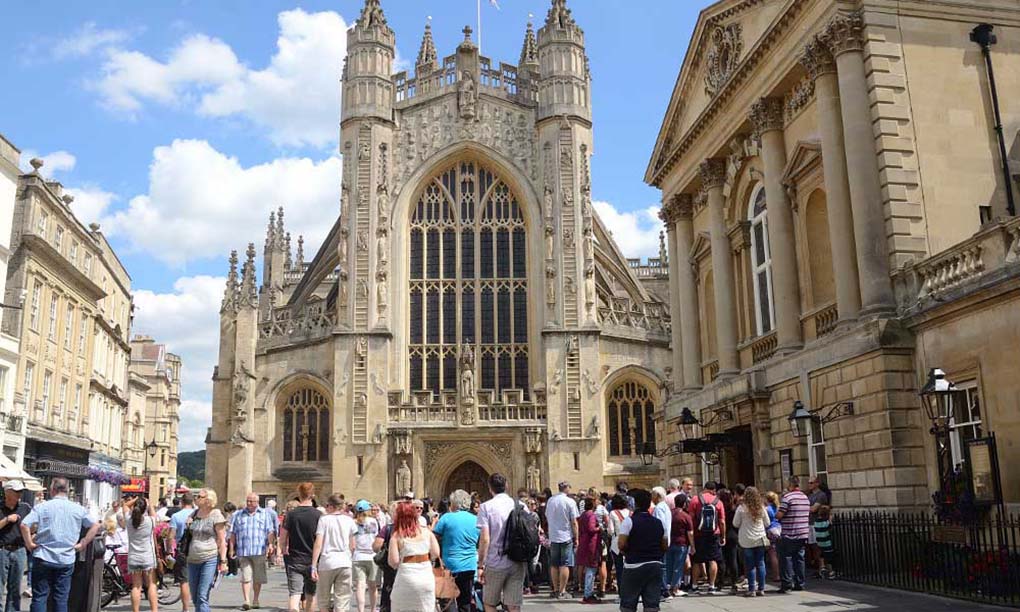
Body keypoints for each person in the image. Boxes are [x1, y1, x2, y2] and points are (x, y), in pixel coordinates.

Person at [20, 478, 101, 612]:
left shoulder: (42, 507)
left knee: (40, 597)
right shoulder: (78, 508)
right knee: (61, 598)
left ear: (53, 490)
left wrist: (29, 543)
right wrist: (83, 543)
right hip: (66, 557)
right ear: (67, 491)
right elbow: (95, 525)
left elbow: (24, 525)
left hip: (43, 555)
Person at [476, 473, 528, 612]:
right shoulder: (521, 505)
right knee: (513, 605)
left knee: (490, 604)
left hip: (495, 562)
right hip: (517, 560)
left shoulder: (486, 507)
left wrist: (480, 565)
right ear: (506, 486)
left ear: (490, 488)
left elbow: (485, 539)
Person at [617, 489, 666, 612]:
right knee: (652, 604)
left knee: (628, 604)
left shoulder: (629, 521)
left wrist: (627, 550)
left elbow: (621, 544)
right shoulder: (659, 523)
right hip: (655, 564)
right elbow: (665, 545)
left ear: (634, 504)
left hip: (634, 565)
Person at [431, 490, 479, 612]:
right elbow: (481, 541)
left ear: (454, 503)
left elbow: (434, 538)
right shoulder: (476, 520)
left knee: (448, 600)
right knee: (465, 601)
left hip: (449, 565)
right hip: (469, 565)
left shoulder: (446, 518)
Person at [388, 501, 440, 612]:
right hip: (426, 577)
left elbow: (394, 562)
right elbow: (435, 553)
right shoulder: (427, 532)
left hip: (407, 578)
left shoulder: (397, 536)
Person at [229, 493, 277, 610]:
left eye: (252, 501)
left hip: (259, 550)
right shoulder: (238, 515)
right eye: (248, 501)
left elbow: (270, 531)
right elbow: (233, 533)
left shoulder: (265, 514)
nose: (249, 503)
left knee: (258, 577)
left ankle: (255, 599)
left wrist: (270, 544)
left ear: (257, 502)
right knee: (246, 576)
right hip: (243, 550)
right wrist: (231, 548)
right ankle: (246, 600)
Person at [310, 494, 356, 612]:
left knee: (324, 600)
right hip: (345, 561)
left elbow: (318, 543)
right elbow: (353, 545)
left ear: (330, 506)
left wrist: (314, 565)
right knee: (342, 601)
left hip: (327, 562)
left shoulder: (324, 520)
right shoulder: (349, 520)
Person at [280, 483, 322, 612]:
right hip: (313, 560)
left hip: (294, 559)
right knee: (311, 594)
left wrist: (283, 550)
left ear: (299, 494)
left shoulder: (291, 515)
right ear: (313, 495)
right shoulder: (319, 515)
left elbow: (283, 538)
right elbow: (320, 541)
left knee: (295, 593)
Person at [185, 489, 228, 612]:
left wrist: (223, 561)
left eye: (200, 496)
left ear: (208, 500)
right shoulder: (193, 514)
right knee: (194, 596)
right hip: (192, 559)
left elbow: (221, 540)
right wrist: (188, 525)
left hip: (209, 558)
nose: (196, 498)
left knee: (202, 595)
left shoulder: (216, 515)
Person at [120, 496, 159, 612]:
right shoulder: (149, 521)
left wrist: (136, 499)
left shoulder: (128, 520)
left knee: (136, 586)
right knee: (151, 584)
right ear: (144, 509)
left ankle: (135, 610)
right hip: (147, 557)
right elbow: (153, 514)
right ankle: (154, 610)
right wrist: (149, 504)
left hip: (133, 557)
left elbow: (125, 505)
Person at [688, 481, 725, 595]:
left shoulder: (695, 500)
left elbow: (691, 518)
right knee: (712, 560)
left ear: (704, 488)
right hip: (714, 534)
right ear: (713, 490)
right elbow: (722, 521)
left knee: (697, 560)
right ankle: (712, 585)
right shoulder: (718, 502)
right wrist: (723, 536)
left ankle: (694, 585)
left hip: (699, 534)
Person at [775, 476, 810, 594]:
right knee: (799, 558)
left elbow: (779, 515)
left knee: (785, 558)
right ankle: (800, 583)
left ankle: (787, 583)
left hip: (789, 533)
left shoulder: (787, 497)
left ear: (790, 484)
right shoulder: (805, 497)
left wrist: (776, 513)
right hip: (803, 533)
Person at [0, 480, 31, 612]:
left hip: (19, 550)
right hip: (2, 550)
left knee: (15, 588)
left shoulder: (25, 508)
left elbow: (33, 527)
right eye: (16, 491)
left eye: (21, 491)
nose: (19, 494)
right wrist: (7, 520)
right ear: (7, 492)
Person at [545, 481, 579, 600]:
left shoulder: (550, 501)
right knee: (564, 564)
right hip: (566, 536)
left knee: (554, 564)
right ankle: (562, 591)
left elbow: (547, 516)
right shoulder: (570, 501)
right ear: (567, 488)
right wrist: (576, 537)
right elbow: (574, 522)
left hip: (553, 536)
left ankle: (555, 589)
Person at [732, 486, 769, 598]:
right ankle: (761, 588)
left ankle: (752, 589)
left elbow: (735, 523)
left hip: (747, 540)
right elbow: (767, 523)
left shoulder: (741, 508)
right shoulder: (761, 507)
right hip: (760, 538)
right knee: (761, 563)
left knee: (750, 565)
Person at [169, 492, 196, 612]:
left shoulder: (176, 516)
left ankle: (186, 609)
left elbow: (171, 536)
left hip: (183, 549)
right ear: (193, 502)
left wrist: (169, 551)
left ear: (182, 502)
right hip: (197, 548)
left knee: (184, 581)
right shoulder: (198, 514)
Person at [351, 500, 379, 612]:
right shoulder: (373, 521)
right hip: (371, 555)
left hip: (358, 556)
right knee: (373, 587)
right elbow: (376, 537)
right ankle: (372, 609)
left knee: (360, 587)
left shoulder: (352, 522)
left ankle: (360, 610)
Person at [665, 493, 693, 598]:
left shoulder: (669, 513)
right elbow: (690, 533)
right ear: (684, 503)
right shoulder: (686, 516)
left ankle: (668, 586)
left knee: (669, 566)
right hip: (681, 543)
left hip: (669, 543)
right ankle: (675, 588)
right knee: (678, 566)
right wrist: (693, 546)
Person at [576, 496, 602, 604]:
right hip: (591, 544)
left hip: (584, 542)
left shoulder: (583, 515)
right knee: (591, 569)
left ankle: (588, 592)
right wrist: (599, 528)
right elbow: (591, 528)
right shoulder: (591, 515)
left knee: (588, 568)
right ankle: (588, 593)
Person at [650, 487, 672, 599]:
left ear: (657, 496)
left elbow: (660, 526)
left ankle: (663, 590)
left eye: (652, 495)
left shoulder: (659, 508)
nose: (651, 497)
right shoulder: (665, 507)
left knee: (660, 566)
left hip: (660, 541)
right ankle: (663, 589)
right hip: (665, 540)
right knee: (662, 566)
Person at [606, 494, 630, 594]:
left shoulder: (612, 513)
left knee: (619, 569)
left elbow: (610, 531)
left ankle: (621, 592)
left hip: (617, 543)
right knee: (630, 568)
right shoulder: (631, 513)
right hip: (629, 543)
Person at [813, 505, 835, 579]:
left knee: (821, 555)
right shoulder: (827, 522)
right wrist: (830, 518)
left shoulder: (816, 522)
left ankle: (822, 568)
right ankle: (831, 572)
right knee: (829, 558)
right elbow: (830, 526)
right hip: (827, 543)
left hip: (820, 542)